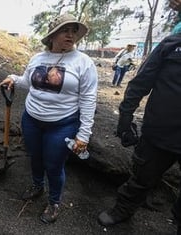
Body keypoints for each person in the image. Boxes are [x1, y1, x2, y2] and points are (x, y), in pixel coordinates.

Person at [0, 13, 98, 224]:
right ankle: (37, 185)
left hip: (62, 124)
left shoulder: (84, 63)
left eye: (74, 31)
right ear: (52, 35)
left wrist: (84, 134)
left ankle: (54, 202)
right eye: (65, 30)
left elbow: (89, 100)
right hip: (32, 119)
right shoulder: (38, 58)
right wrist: (13, 79)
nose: (71, 35)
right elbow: (28, 81)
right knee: (35, 157)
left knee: (53, 165)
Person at [97, 1, 181, 233]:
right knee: (142, 177)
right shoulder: (171, 44)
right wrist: (125, 116)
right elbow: (141, 82)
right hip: (159, 134)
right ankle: (123, 209)